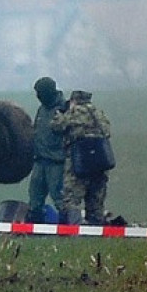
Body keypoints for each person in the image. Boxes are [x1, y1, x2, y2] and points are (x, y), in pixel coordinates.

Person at [51, 90, 112, 225]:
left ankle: (75, 228)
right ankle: (96, 228)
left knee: (71, 197)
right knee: (96, 198)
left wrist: (59, 115)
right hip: (100, 162)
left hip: (79, 161)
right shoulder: (98, 113)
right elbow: (107, 131)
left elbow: (56, 127)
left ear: (74, 100)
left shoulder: (74, 112)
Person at [27, 76, 67, 223]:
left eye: (40, 93)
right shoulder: (42, 109)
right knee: (35, 196)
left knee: (59, 197)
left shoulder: (63, 109)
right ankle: (35, 228)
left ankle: (66, 229)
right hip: (39, 161)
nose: (38, 96)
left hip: (56, 162)